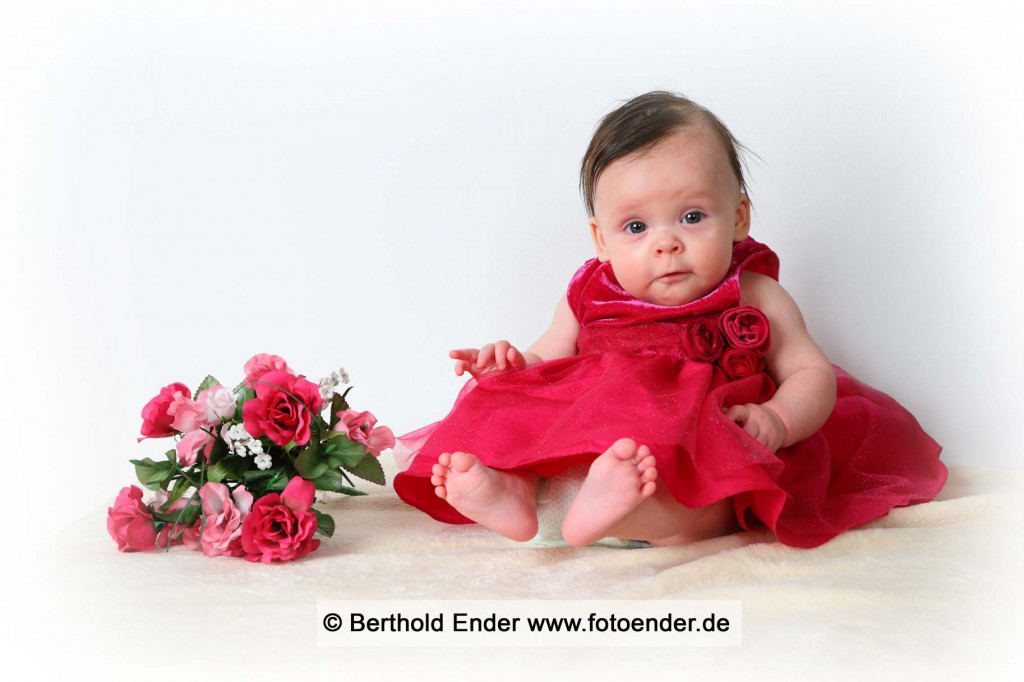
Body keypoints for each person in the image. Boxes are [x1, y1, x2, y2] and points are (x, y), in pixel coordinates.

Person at [392, 91, 946, 549]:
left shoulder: (753, 293)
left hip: (694, 440)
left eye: (691, 216)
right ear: (601, 240)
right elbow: (547, 358)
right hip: (597, 436)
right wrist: (511, 365)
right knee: (505, 405)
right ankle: (511, 490)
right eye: (636, 228)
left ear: (738, 218)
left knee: (710, 504)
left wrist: (777, 419)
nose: (667, 243)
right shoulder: (588, 292)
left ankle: (632, 513)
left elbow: (811, 373)